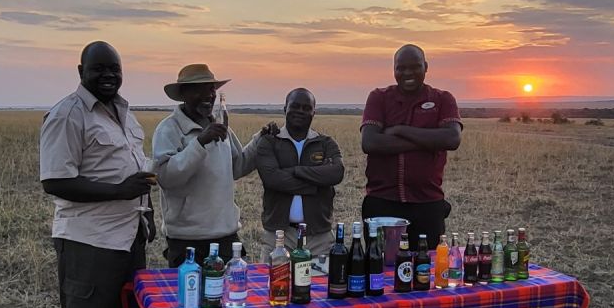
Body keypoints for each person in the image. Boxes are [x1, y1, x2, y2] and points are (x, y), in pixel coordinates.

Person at [39, 41, 156, 308]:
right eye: (99, 69)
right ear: (81, 70)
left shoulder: (123, 113)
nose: (108, 75)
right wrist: (120, 192)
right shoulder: (68, 114)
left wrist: (143, 208)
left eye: (114, 69)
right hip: (89, 242)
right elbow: (55, 181)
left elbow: (133, 173)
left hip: (129, 238)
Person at [150, 64, 268, 268]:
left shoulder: (220, 128)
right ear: (183, 94)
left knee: (231, 296)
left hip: (225, 236)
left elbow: (237, 167)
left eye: (211, 89)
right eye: (199, 89)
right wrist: (200, 142)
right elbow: (166, 178)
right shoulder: (168, 130)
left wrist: (261, 138)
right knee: (191, 298)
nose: (208, 95)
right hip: (187, 241)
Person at [360, 44, 462, 248]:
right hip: (383, 201)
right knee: (380, 269)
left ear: (426, 67)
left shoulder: (443, 99)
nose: (408, 73)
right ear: (394, 69)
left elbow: (451, 139)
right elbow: (370, 142)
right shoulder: (379, 97)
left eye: (415, 67)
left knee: (426, 271)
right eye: (401, 68)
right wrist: (428, 140)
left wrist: (399, 130)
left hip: (427, 203)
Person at [255, 88, 344, 264]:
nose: (300, 111)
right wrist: (316, 182)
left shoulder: (325, 142)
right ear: (285, 108)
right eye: (295, 106)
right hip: (279, 236)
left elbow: (336, 173)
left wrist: (294, 170)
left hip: (319, 237)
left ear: (314, 112)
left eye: (306, 108)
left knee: (322, 290)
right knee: (275, 288)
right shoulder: (269, 141)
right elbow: (272, 179)